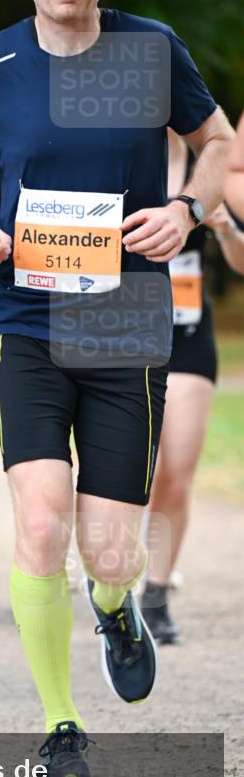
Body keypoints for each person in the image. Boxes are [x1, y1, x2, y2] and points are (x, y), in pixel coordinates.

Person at [0, 0, 234, 777]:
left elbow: (214, 141)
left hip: (125, 318)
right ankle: (61, 724)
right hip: (27, 314)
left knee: (108, 550)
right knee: (41, 521)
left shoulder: (151, 49)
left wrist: (184, 210)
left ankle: (112, 606)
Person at [141, 131, 244, 645]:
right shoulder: (120, 154)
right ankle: (105, 566)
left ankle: (155, 596)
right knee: (123, 464)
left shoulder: (210, 166)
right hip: (122, 335)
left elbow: (241, 261)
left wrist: (225, 231)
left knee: (175, 468)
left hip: (187, 336)